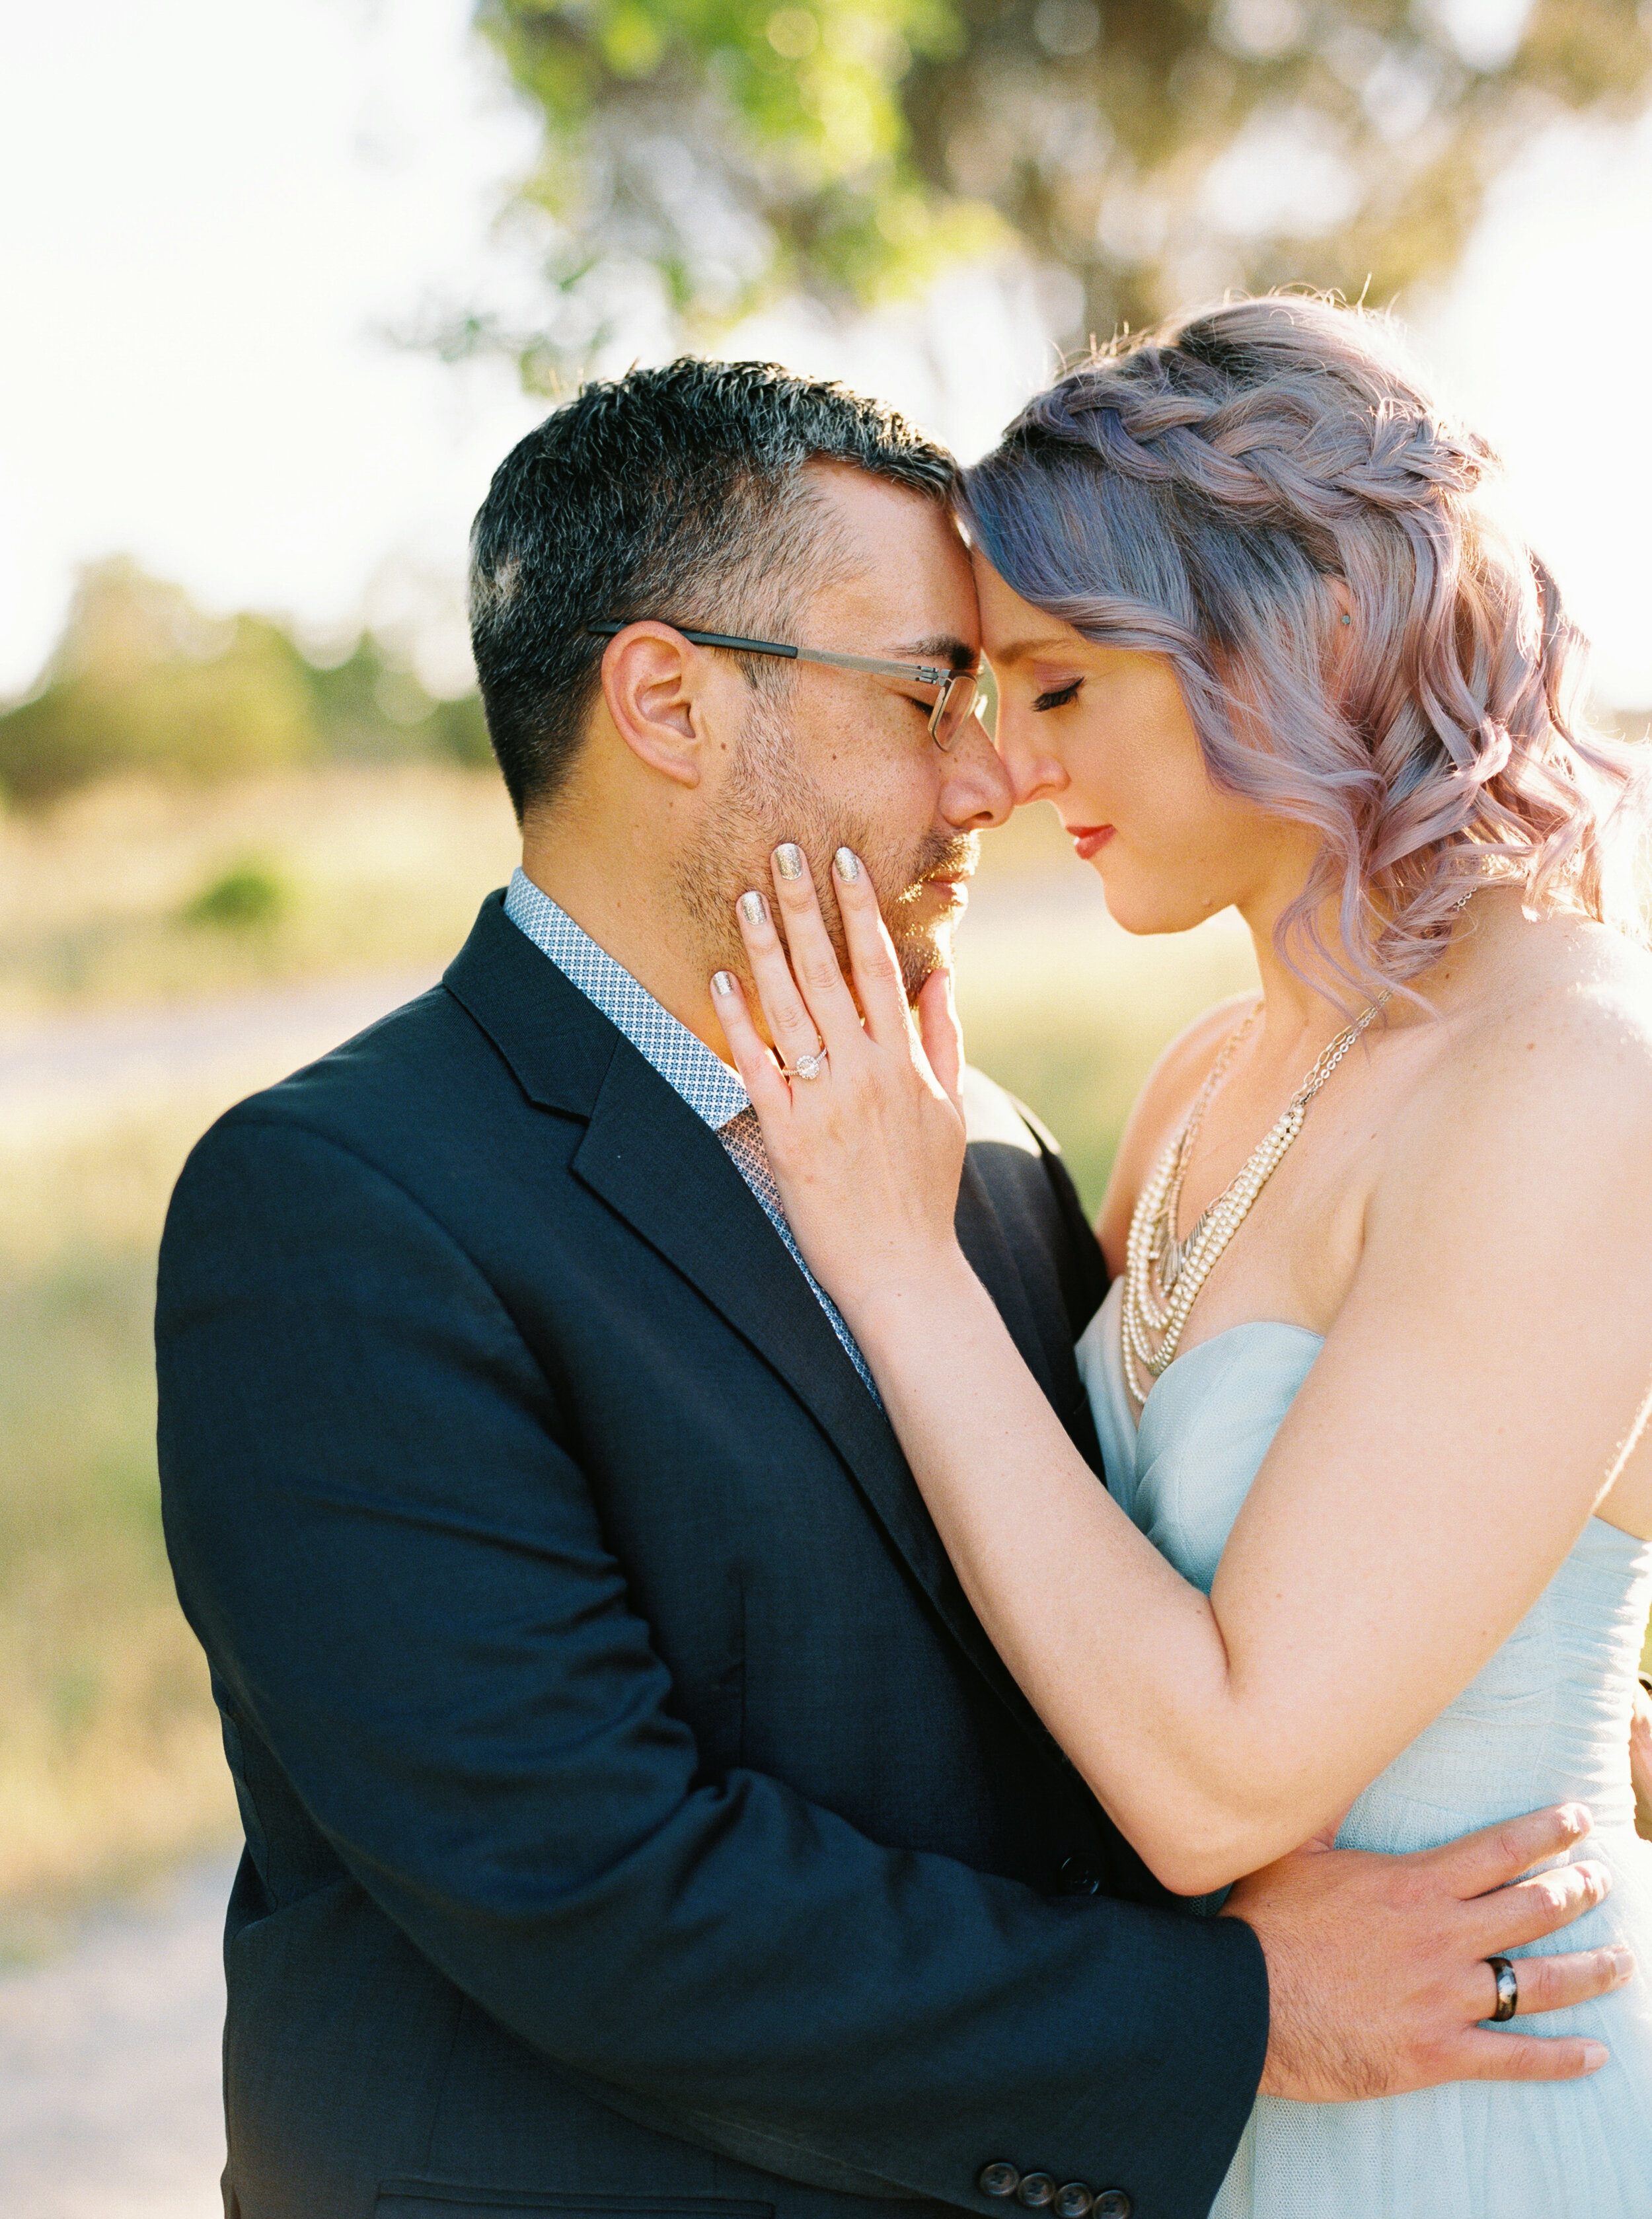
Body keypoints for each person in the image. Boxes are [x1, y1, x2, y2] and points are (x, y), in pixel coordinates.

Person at [157, 358, 1624, 2219]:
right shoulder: (340, 1205)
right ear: (669, 699)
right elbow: (595, 1889)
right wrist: (1233, 2010)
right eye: (935, 691)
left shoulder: (982, 1155)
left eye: (1029, 689)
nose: (991, 777)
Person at [708, 301, 1652, 2216]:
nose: (1001, 765)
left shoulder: (1568, 1076)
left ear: (1303, 632)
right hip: (1221, 2117)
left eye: (1060, 685)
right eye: (982, 692)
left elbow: (1220, 1777)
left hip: (1475, 2127)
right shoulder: (1206, 1080)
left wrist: (898, 1261)